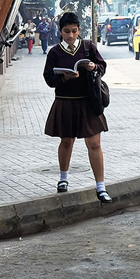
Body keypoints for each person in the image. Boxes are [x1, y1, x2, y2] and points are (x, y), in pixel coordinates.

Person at [42, 11, 111, 203]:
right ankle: (63, 179)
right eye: (66, 31)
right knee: (66, 141)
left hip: (88, 101)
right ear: (60, 31)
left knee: (94, 143)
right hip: (65, 101)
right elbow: (48, 78)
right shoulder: (55, 52)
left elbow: (102, 66)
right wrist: (64, 77)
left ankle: (101, 187)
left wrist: (93, 67)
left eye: (74, 31)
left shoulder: (88, 47)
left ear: (79, 30)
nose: (71, 35)